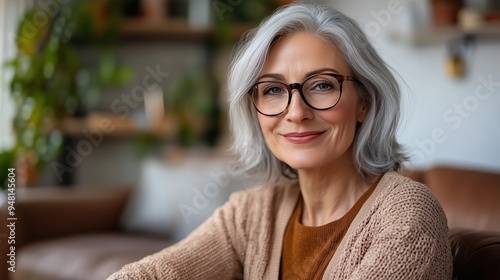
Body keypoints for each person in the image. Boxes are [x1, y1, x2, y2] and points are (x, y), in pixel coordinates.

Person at [108, 3, 452, 279]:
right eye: (273, 90)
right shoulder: (252, 213)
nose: (296, 112)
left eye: (322, 85)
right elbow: (153, 273)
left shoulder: (407, 215)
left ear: (364, 101)